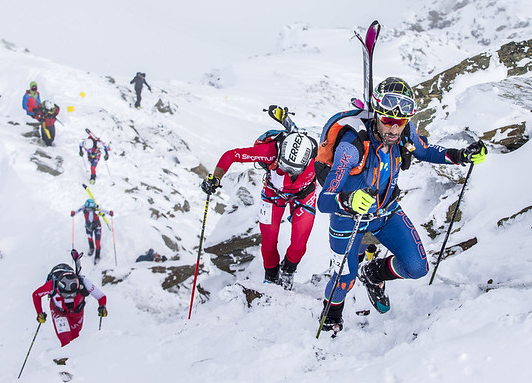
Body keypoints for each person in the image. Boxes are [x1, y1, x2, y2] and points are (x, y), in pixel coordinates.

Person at [317, 77, 487, 333]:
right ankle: (331, 319)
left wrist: (462, 155)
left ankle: (374, 274)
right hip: (347, 218)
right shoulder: (351, 147)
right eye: (387, 120)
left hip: (386, 212)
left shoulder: (403, 134)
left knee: (417, 267)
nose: (394, 129)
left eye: (401, 122)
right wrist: (349, 199)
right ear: (376, 115)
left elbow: (426, 150)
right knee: (343, 279)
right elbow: (324, 201)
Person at [200, 127, 319, 290]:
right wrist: (215, 178)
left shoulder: (321, 157)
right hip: (273, 193)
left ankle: (288, 271)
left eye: (294, 170)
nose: (289, 173)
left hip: (304, 195)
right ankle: (270, 277)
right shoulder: (270, 151)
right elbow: (232, 155)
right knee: (269, 241)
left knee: (299, 244)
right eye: (285, 167)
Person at [32, 252, 107, 347]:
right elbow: (36, 295)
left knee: (75, 338)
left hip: (77, 311)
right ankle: (65, 359)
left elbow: (101, 296)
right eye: (66, 295)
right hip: (58, 312)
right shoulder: (52, 285)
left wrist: (102, 306)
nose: (69, 297)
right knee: (66, 341)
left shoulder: (83, 282)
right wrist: (39, 313)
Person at [71, 198, 111, 263]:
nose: (88, 210)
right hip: (88, 226)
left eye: (89, 208)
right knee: (90, 238)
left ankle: (97, 256)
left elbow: (104, 211)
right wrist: (73, 213)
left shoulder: (97, 208)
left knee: (97, 242)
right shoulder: (84, 207)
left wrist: (110, 213)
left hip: (97, 226)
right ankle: (91, 248)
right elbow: (78, 210)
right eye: (87, 208)